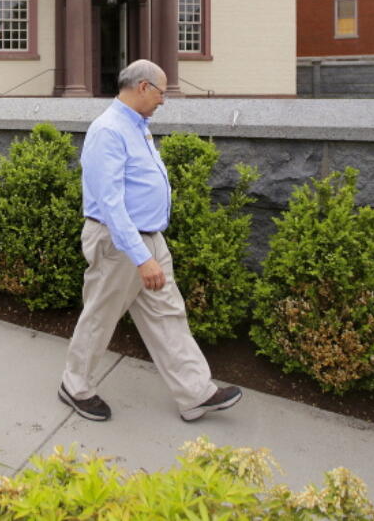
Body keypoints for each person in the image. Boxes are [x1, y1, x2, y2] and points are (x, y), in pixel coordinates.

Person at [59, 59, 242, 422]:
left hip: (148, 239)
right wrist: (141, 257)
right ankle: (75, 385)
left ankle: (195, 393)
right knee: (101, 315)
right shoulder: (108, 130)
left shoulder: (138, 126)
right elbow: (110, 203)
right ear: (142, 86)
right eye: (161, 91)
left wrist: (149, 249)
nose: (163, 100)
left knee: (168, 313)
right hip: (120, 244)